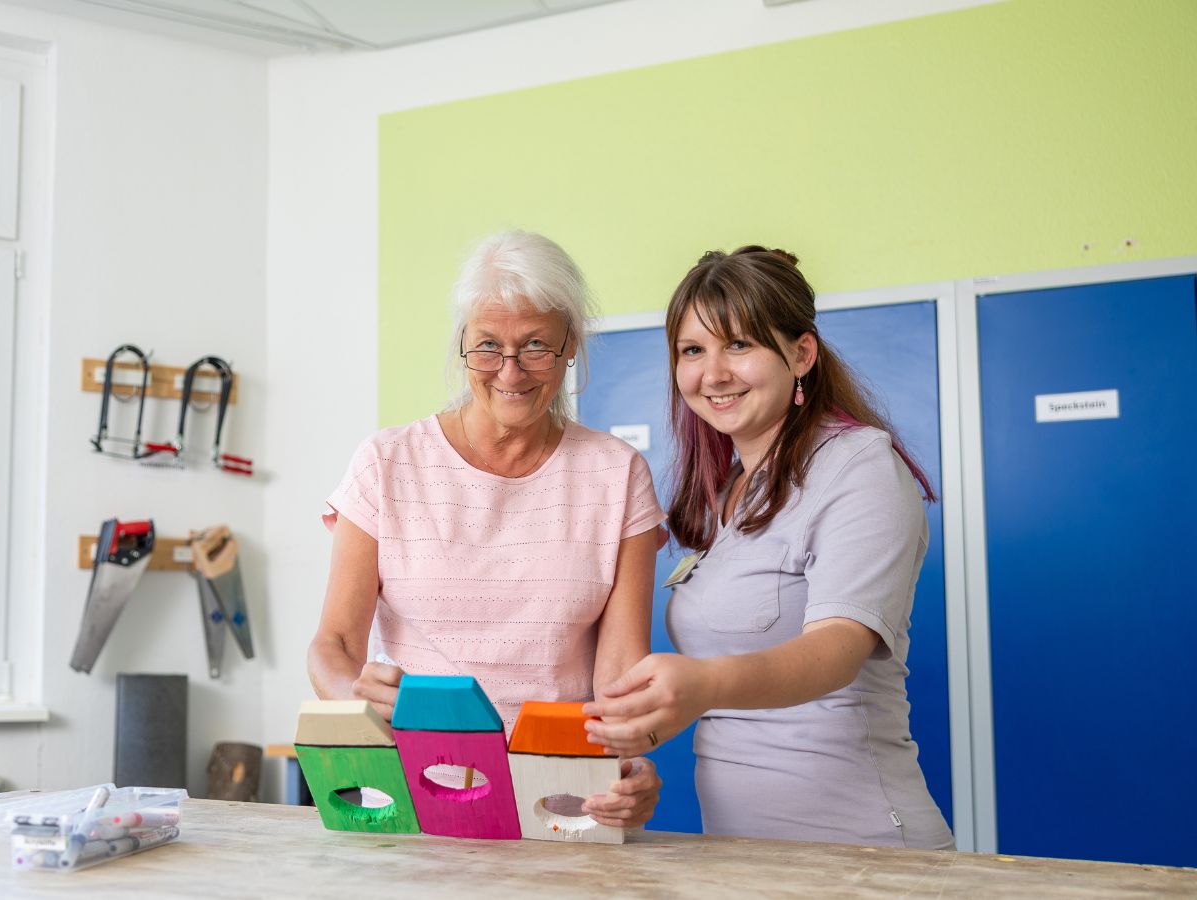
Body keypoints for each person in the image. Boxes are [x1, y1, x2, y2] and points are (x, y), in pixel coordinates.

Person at [583, 246, 955, 849]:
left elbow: (837, 648)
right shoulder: (725, 492)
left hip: (861, 850)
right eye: (692, 351)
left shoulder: (859, 466)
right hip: (741, 852)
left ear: (801, 353)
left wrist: (702, 684)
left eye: (740, 345)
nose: (713, 374)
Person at [308, 230, 666, 828]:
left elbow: (621, 673)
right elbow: (334, 647)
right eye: (487, 346)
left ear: (569, 346)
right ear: (462, 346)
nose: (510, 371)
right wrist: (357, 700)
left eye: (535, 347)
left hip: (561, 801)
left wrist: (630, 760)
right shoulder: (385, 464)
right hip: (411, 795)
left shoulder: (617, 473)